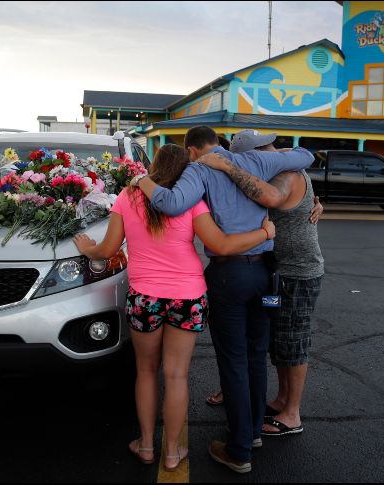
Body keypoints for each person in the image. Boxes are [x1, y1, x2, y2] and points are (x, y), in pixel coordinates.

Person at [73, 143, 276, 473]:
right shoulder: (192, 202)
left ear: (154, 166)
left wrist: (88, 247)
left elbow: (108, 250)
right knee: (177, 375)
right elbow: (221, 245)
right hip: (187, 296)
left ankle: (146, 446)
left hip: (145, 297)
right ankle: (171, 452)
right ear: (185, 171)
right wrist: (264, 232)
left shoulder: (129, 195)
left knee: (146, 371)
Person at [133, 126, 314, 473]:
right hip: (264, 273)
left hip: (229, 274)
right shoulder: (255, 160)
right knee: (256, 355)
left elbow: (170, 204)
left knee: (233, 361)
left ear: (193, 150)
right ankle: (252, 431)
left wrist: (143, 181)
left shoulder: (198, 169)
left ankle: (240, 449)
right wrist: (269, 159)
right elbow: (305, 155)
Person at [196, 129, 324, 438]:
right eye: (266, 147)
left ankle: (291, 413)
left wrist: (227, 167)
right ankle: (277, 399)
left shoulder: (286, 174)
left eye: (271, 146)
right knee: (276, 341)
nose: (274, 151)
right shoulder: (273, 172)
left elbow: (270, 197)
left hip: (298, 272)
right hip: (274, 272)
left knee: (293, 342)